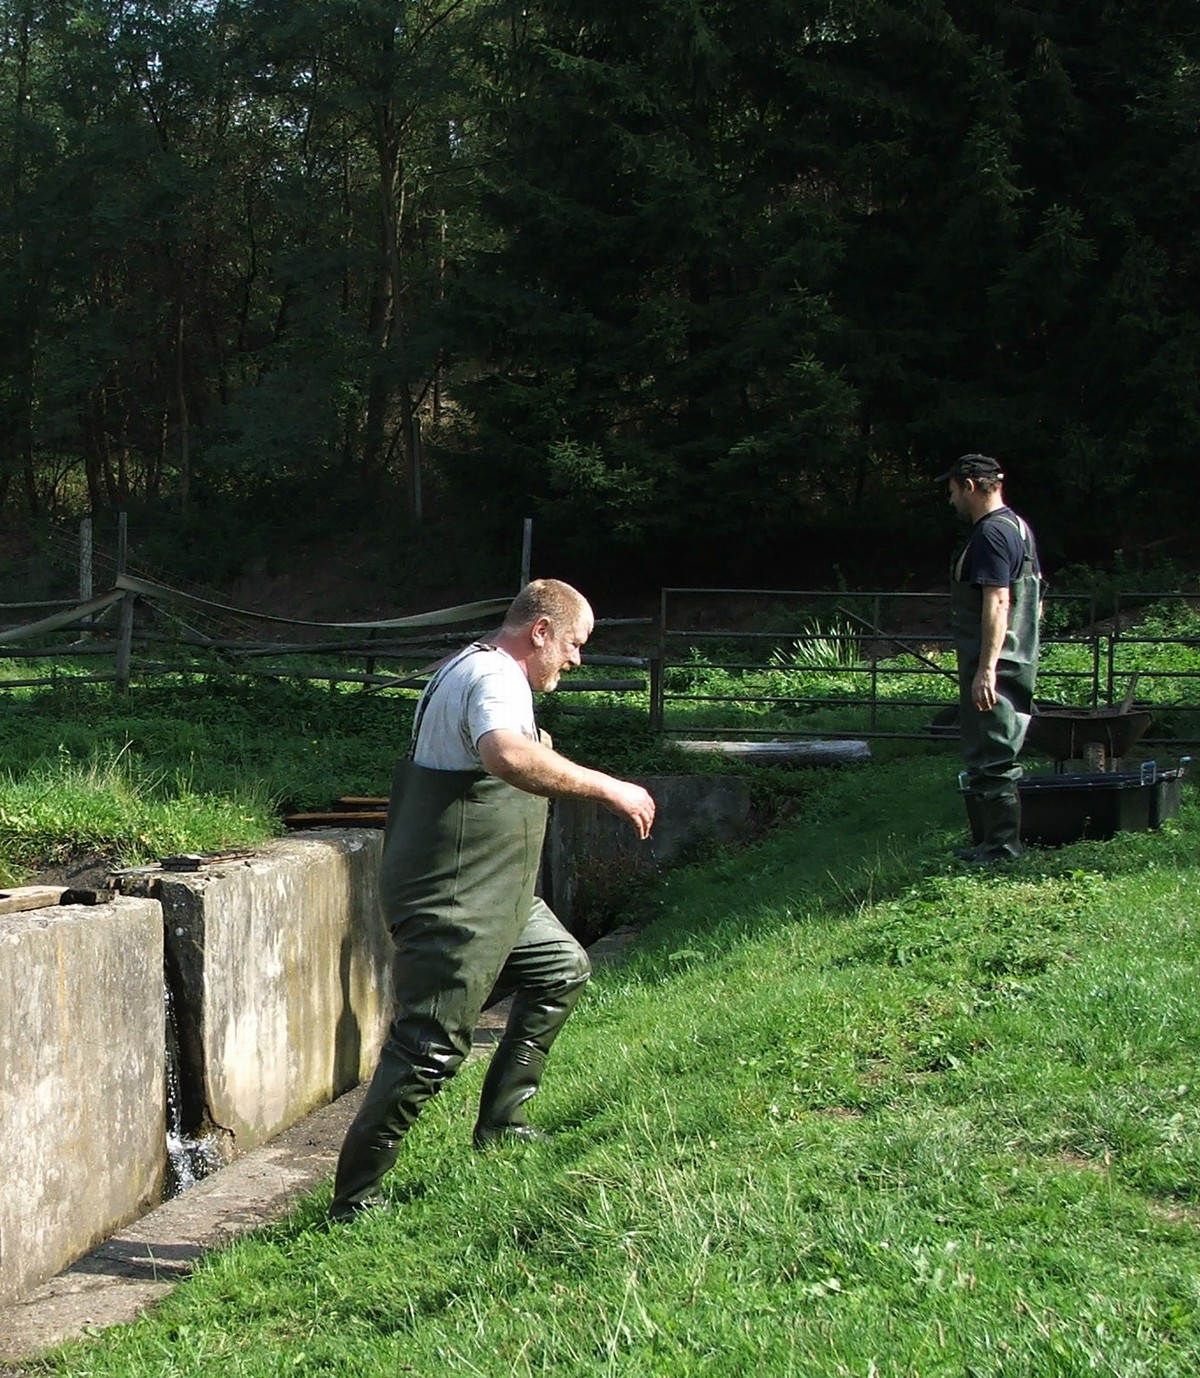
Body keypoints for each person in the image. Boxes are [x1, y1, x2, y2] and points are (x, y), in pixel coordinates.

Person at [329, 578, 656, 1221]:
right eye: (574, 643)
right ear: (540, 631)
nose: (576, 658)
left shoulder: (481, 669)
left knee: (560, 968)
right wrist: (608, 787)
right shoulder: (494, 678)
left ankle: (503, 1123)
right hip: (456, 900)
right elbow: (505, 755)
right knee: (428, 1049)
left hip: (498, 893)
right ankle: (355, 1201)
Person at [938, 454, 1042, 862]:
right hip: (1016, 656)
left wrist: (986, 669)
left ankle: (1001, 848)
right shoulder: (1019, 527)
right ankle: (989, 843)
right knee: (990, 750)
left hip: (995, 662)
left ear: (969, 486)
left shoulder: (991, 535)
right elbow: (1035, 601)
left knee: (994, 755)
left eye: (952, 491)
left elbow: (998, 601)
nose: (951, 501)